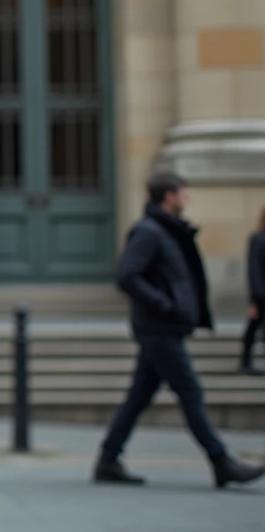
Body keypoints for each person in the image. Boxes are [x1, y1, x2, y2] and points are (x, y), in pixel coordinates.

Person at [94, 171, 265, 489]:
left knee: (139, 396)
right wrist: (165, 305)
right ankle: (221, 461)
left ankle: (107, 459)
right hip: (159, 328)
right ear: (169, 196)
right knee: (190, 392)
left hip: (163, 326)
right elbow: (127, 275)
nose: (188, 198)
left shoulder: (166, 231)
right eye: (183, 192)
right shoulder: (149, 231)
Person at [239, 205, 265, 374]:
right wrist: (255, 298)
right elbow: (254, 269)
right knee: (253, 328)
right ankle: (245, 362)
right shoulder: (258, 239)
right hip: (262, 294)